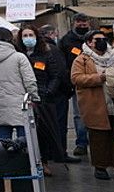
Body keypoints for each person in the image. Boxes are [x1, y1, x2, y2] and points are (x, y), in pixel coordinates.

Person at [71, 29, 114, 181]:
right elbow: (76, 78)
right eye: (97, 39)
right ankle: (100, 167)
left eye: (104, 39)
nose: (102, 41)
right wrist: (99, 78)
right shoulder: (82, 59)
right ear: (89, 43)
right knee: (99, 138)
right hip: (96, 103)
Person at [19, 25, 74, 168]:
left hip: (44, 97)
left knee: (44, 131)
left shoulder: (46, 53)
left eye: (31, 35)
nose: (28, 38)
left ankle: (45, 161)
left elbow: (55, 74)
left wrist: (49, 91)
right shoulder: (19, 55)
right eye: (25, 36)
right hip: (24, 98)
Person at [0, 27, 38, 141]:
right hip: (20, 104)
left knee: (3, 140)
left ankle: (5, 159)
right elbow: (29, 80)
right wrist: (34, 97)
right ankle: (23, 159)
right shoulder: (19, 57)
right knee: (25, 139)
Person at [57, 13, 94, 158]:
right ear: (74, 23)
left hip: (95, 80)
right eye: (79, 22)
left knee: (97, 114)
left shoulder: (95, 38)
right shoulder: (66, 40)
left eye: (85, 22)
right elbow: (62, 62)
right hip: (76, 83)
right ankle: (81, 143)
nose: (82, 24)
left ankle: (96, 142)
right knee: (79, 115)